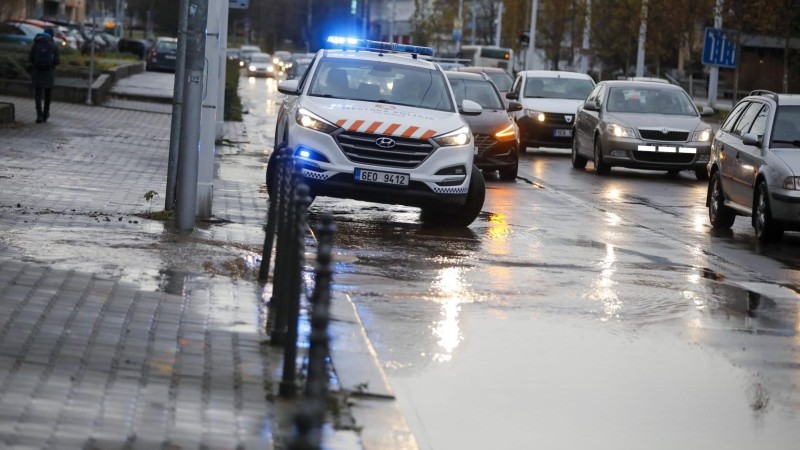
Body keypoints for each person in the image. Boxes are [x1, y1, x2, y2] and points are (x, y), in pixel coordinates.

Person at [29, 28, 60, 123]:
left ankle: (39, 115)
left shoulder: (36, 43)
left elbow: (30, 58)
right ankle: (46, 114)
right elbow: (57, 61)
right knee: (48, 94)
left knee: (38, 94)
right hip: (48, 73)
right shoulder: (54, 46)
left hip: (37, 72)